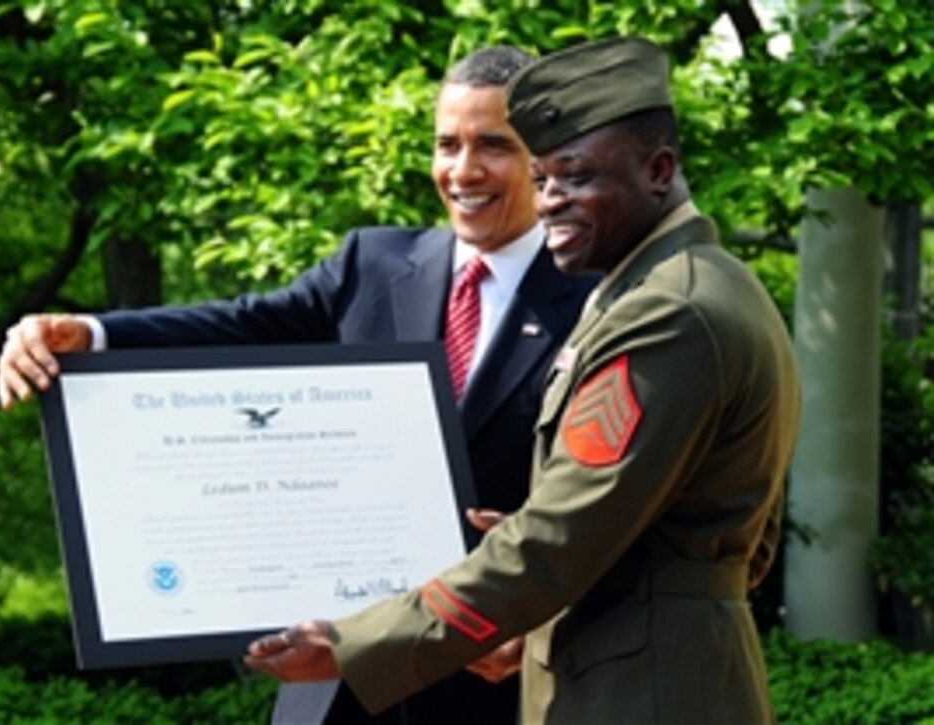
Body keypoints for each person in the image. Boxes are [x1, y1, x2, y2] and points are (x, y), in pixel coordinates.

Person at [0, 46, 599, 724]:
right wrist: (90, 334)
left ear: (546, 153)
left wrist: (540, 617)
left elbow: (623, 506)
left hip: (492, 683)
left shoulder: (601, 302)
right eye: (446, 143)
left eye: (493, 145)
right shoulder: (371, 265)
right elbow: (243, 326)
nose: (463, 170)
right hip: (336, 682)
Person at [243, 36, 802, 724]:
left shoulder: (667, 313)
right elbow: (724, 538)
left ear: (659, 170)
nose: (548, 203)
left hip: (636, 693)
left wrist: (352, 644)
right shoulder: (700, 285)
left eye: (576, 176)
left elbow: (552, 546)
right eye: (541, 180)